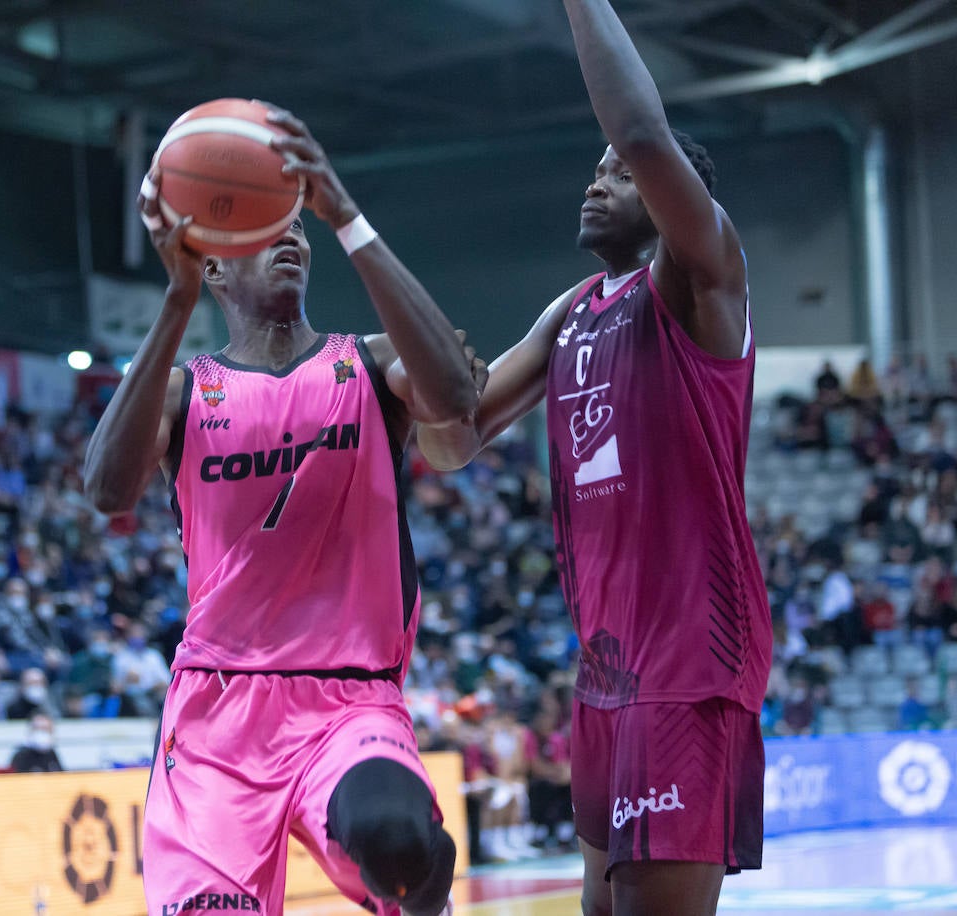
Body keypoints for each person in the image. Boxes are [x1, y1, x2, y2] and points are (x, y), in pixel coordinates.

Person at [414, 3, 769, 911]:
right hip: (608, 665)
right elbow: (451, 438)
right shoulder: (572, 310)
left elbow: (644, 128)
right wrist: (420, 371)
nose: (597, 179)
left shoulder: (700, 278)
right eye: (596, 170)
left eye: (619, 174)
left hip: (691, 652)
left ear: (673, 199)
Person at [85, 103, 479, 916]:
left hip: (349, 701)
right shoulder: (188, 389)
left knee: (399, 840)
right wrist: (174, 297)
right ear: (220, 266)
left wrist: (350, 218)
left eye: (294, 223)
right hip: (217, 713)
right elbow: (104, 490)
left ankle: (423, 898)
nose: (290, 236)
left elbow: (456, 396)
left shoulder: (368, 366)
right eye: (263, 227)